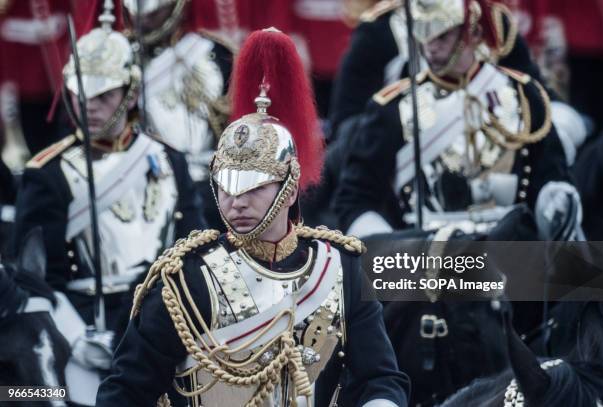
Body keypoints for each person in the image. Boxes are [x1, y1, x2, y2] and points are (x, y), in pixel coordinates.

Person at [96, 29, 410, 407]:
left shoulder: (340, 269)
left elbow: (381, 378)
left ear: (289, 189)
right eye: (228, 188)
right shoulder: (185, 279)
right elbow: (125, 390)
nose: (236, 203)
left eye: (254, 188)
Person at [11, 2, 204, 357]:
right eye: (81, 95)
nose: (90, 106)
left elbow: (193, 251)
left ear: (129, 93)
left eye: (104, 96)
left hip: (162, 318)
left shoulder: (169, 160)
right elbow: (34, 278)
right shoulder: (47, 173)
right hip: (79, 330)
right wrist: (73, 338)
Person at [333, 0, 580, 241]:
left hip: (511, 247)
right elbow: (355, 197)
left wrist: (555, 200)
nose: (430, 47)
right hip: (428, 256)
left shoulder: (522, 95)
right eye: (424, 35)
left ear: (473, 32)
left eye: (442, 36)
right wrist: (392, 250)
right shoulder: (393, 107)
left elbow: (550, 171)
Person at [119, 0, 234, 230]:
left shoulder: (213, 53)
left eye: (155, 12)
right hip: (142, 182)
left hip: (207, 185)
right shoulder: (118, 57)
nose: (143, 19)